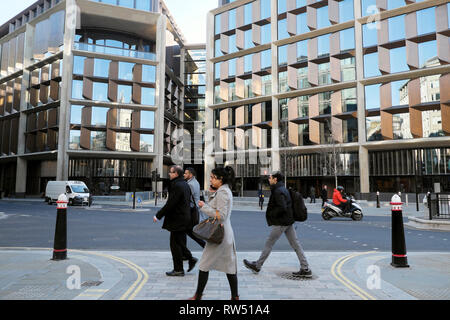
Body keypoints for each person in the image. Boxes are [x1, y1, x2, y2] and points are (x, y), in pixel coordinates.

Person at [243, 171, 312, 278]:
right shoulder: (282, 189)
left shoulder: (278, 191)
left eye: (270, 178)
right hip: (288, 221)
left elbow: (282, 207)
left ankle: (257, 265)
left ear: (275, 179)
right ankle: (305, 268)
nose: (269, 179)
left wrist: (272, 215)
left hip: (282, 222)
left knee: (269, 243)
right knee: (296, 244)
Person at [189, 166, 239, 300]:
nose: (210, 179)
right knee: (229, 266)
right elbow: (218, 208)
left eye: (212, 177)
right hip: (224, 232)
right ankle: (235, 297)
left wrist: (203, 207)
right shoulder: (223, 190)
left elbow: (221, 215)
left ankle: (197, 296)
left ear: (220, 179)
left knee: (204, 264)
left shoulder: (223, 192)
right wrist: (211, 196)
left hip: (219, 233)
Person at [153, 165, 197, 277]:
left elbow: (171, 204)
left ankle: (178, 269)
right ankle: (190, 259)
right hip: (184, 218)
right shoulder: (184, 184)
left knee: (175, 245)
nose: (169, 174)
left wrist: (158, 215)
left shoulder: (177, 185)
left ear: (176, 174)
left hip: (178, 219)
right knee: (180, 243)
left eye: (171, 172)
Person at [184, 167, 206, 249]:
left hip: (191, 210)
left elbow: (187, 198)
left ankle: (205, 245)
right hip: (195, 208)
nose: (184, 174)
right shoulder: (196, 182)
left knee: (189, 231)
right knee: (188, 230)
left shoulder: (190, 184)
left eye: (186, 173)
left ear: (191, 174)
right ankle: (184, 253)